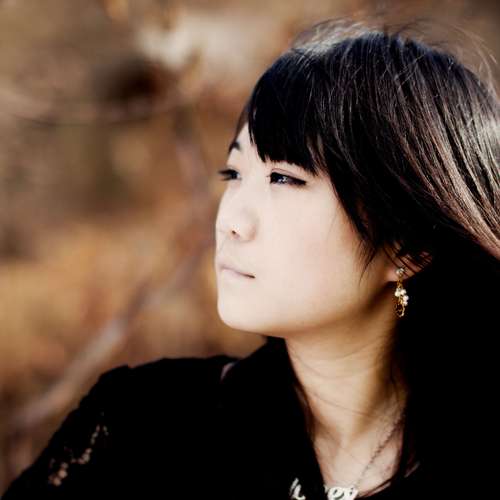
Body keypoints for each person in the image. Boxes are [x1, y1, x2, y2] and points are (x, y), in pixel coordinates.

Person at [2, 15, 498, 500]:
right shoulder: (144, 428)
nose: (231, 221)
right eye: (234, 174)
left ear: (408, 246)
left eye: (284, 178)